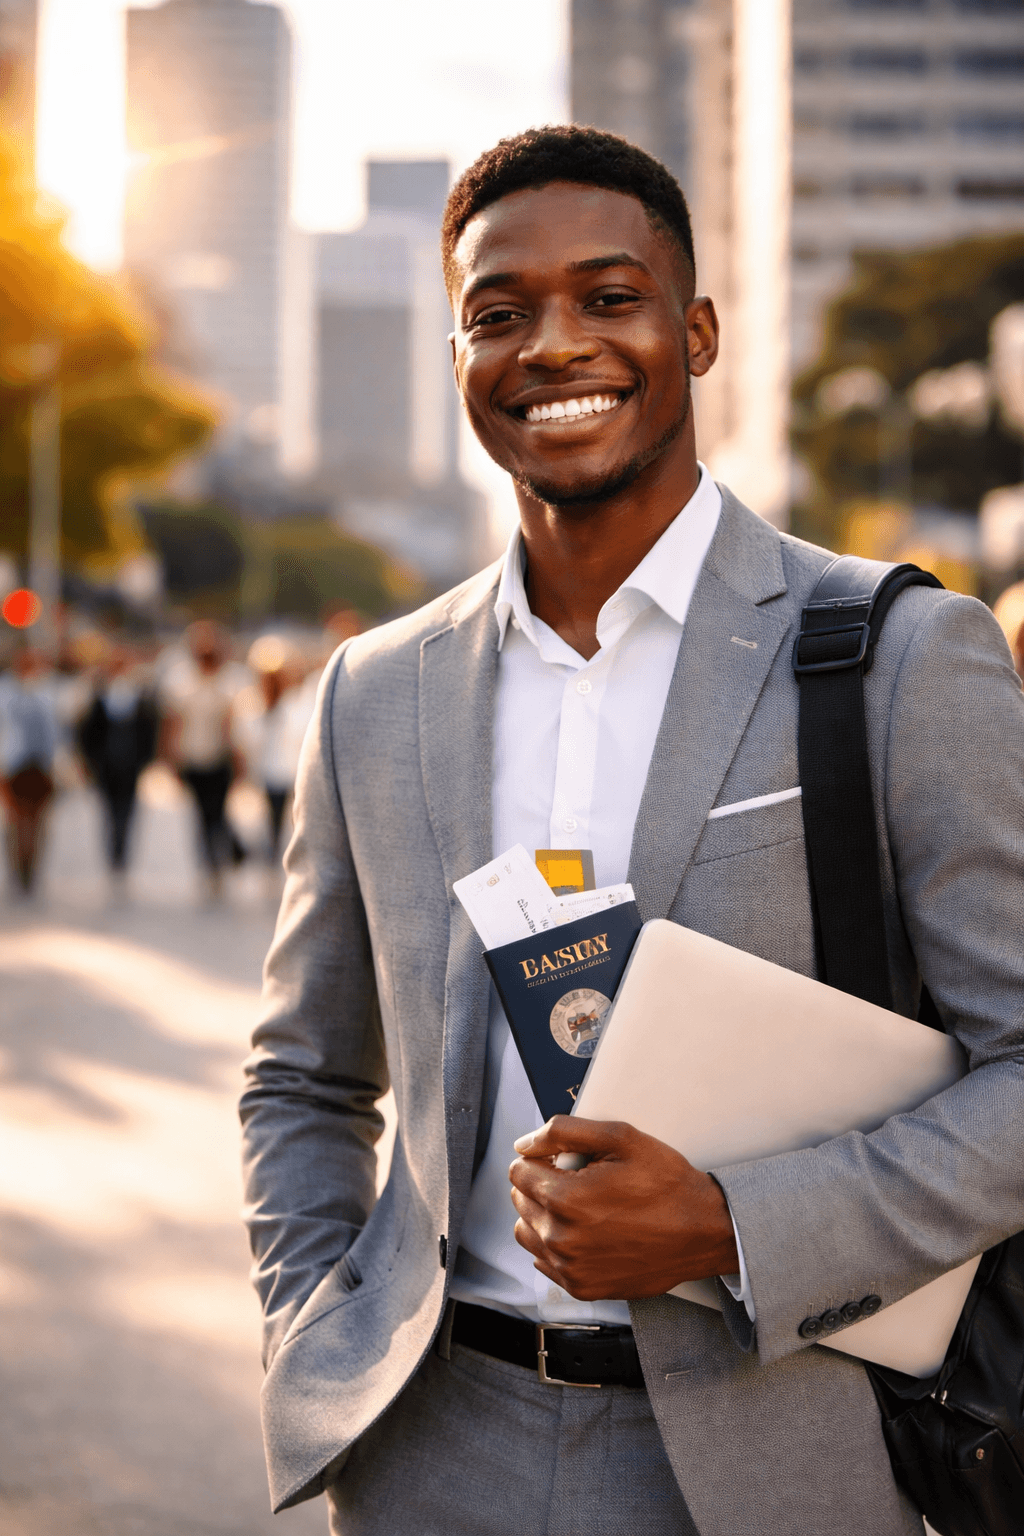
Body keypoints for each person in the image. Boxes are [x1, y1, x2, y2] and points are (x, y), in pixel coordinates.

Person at [240, 127, 1024, 1536]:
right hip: (430, 1452)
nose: (553, 344)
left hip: (775, 1455)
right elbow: (303, 1075)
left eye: (609, 297)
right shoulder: (374, 691)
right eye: (499, 312)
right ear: (459, 354)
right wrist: (317, 1324)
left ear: (696, 333)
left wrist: (733, 1224)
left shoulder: (900, 655)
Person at [160, 620, 247, 897]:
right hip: (193, 758)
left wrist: (240, 763)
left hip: (221, 758)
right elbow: (172, 723)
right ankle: (209, 864)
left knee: (218, 812)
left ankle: (221, 859)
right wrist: (171, 760)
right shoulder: (180, 680)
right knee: (201, 814)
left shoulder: (231, 680)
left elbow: (236, 724)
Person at [77, 641, 159, 881]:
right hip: (107, 764)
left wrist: (146, 759)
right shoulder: (99, 694)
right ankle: (113, 852)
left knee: (127, 810)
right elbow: (87, 731)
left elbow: (148, 730)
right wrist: (91, 760)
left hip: (130, 763)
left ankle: (121, 853)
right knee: (108, 810)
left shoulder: (140, 695)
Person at [233, 637, 314, 866]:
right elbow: (246, 741)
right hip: (267, 773)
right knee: (270, 824)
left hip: (293, 772)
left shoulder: (299, 701)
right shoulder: (251, 703)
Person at [0, 647, 60, 895]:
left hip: (41, 765)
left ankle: (32, 868)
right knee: (15, 821)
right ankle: (17, 868)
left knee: (38, 822)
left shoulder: (47, 690)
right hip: (13, 765)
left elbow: (57, 729)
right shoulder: (5, 691)